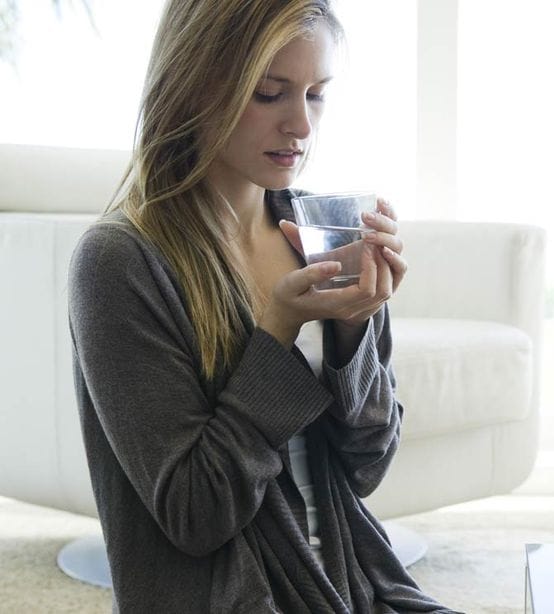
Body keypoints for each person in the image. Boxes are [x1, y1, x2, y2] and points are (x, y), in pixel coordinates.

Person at [68, 1, 457, 612]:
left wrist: (353, 334)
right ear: (194, 86)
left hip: (353, 588)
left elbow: (367, 469)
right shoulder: (120, 261)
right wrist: (276, 334)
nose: (300, 126)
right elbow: (196, 513)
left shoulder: (322, 230)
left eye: (316, 94)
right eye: (269, 94)